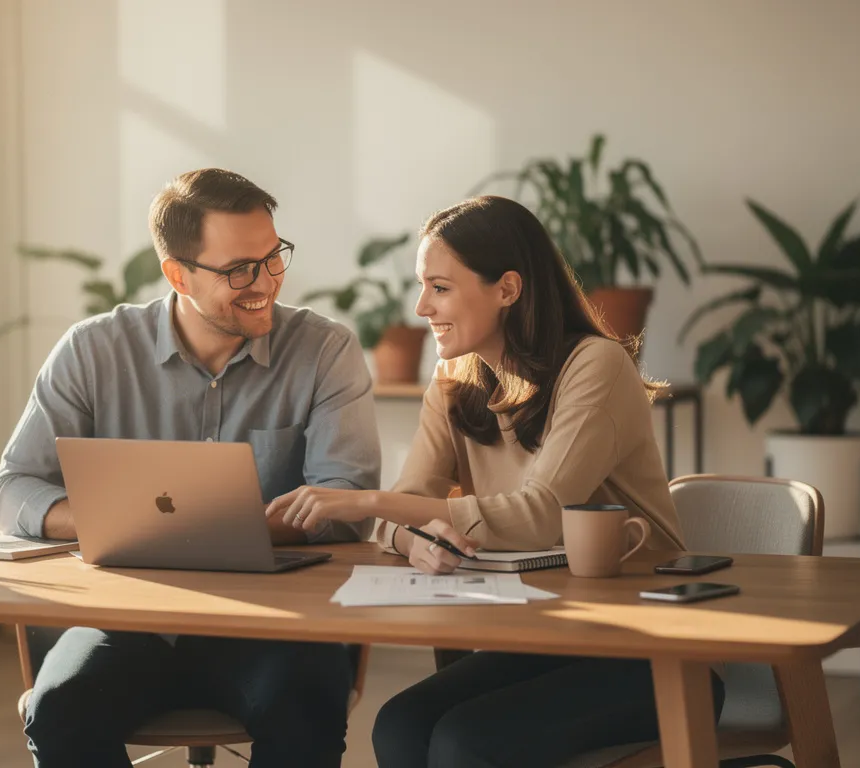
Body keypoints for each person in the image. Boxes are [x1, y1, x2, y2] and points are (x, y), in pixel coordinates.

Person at [265, 195, 724, 767]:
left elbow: (543, 513)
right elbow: (397, 520)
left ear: (508, 289)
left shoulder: (596, 365)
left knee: (467, 743)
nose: (421, 307)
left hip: (647, 647)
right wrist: (418, 539)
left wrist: (365, 500)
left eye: (440, 287)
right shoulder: (454, 379)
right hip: (546, 636)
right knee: (400, 723)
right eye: (422, 286)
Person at [0, 168, 381, 768]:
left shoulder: (325, 351)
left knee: (305, 707)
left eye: (274, 258)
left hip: (276, 626)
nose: (266, 282)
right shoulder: (93, 350)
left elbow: (346, 502)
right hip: (127, 621)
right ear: (177, 273)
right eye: (239, 270)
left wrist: (163, 528)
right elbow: (13, 489)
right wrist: (107, 521)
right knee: (60, 709)